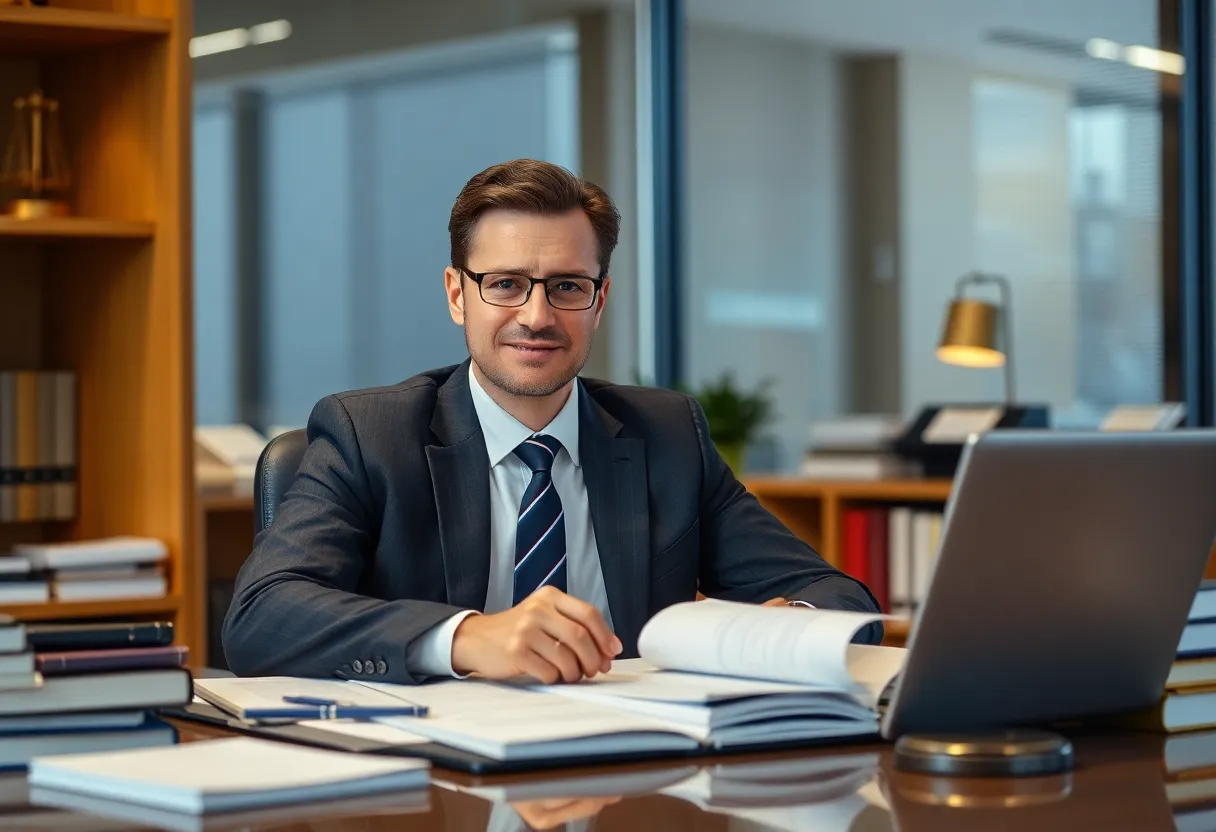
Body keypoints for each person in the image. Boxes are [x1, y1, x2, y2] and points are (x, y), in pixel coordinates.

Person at [222, 159, 881, 685]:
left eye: (567, 286)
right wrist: (469, 637)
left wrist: (788, 627)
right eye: (505, 284)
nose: (537, 316)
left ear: (601, 299)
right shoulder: (371, 433)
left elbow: (839, 597)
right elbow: (261, 615)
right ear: (458, 294)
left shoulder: (668, 434)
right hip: (436, 786)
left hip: (629, 775)